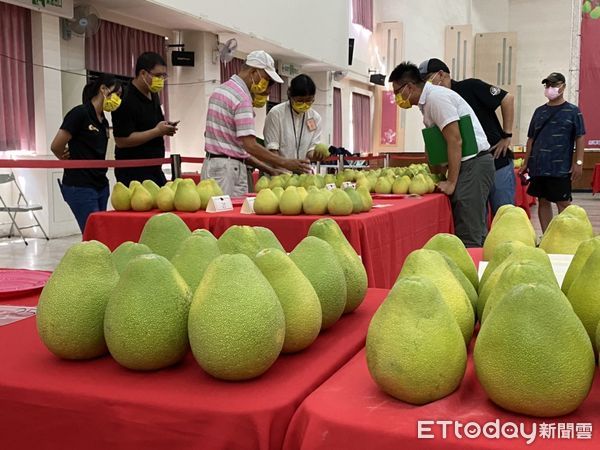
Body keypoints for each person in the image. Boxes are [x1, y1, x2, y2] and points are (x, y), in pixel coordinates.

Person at [389, 62, 495, 247]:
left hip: (473, 163)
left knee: (469, 233)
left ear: (409, 87)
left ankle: (472, 271)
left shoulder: (436, 99)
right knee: (471, 227)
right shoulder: (427, 102)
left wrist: (452, 182)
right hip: (467, 165)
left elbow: (455, 140)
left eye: (397, 92)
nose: (397, 97)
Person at [202, 50, 311, 196]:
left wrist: (270, 169)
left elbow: (236, 150)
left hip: (215, 166)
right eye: (266, 80)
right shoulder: (242, 98)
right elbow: (250, 145)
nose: (266, 87)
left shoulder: (221, 90)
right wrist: (284, 163)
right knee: (228, 217)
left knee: (219, 216)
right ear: (254, 72)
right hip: (227, 172)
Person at [419, 58, 515, 215]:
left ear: (441, 74)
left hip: (496, 159)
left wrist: (507, 135)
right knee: (477, 218)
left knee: (505, 215)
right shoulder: (433, 101)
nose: (425, 85)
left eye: (427, 79)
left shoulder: (470, 87)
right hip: (468, 168)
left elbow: (507, 99)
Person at [50, 74, 123, 232]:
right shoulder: (80, 113)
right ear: (103, 89)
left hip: (100, 184)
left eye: (119, 96)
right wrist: (65, 156)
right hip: (80, 185)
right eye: (116, 94)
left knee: (101, 233)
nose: (117, 99)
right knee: (94, 233)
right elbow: (56, 145)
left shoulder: (104, 121)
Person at [520, 72, 585, 232]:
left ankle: (568, 236)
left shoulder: (573, 111)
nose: (550, 89)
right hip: (538, 166)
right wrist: (526, 162)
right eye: (547, 85)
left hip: (560, 168)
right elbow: (531, 139)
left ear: (562, 87)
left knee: (563, 203)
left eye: (554, 85)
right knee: (543, 201)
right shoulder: (539, 111)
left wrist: (579, 162)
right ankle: (548, 236)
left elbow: (580, 137)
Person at [112, 52, 175, 187]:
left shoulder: (153, 95)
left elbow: (154, 125)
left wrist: (165, 128)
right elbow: (121, 140)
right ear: (143, 73)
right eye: (157, 75)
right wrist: (157, 131)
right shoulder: (125, 98)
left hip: (155, 169)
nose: (161, 80)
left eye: (163, 76)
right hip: (133, 172)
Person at [263, 74, 325, 163]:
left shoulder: (315, 118)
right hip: (278, 172)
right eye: (300, 100)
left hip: (303, 173)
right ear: (290, 96)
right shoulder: (276, 113)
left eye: (308, 101)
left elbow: (310, 152)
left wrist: (317, 155)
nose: (304, 104)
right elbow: (272, 149)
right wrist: (284, 167)